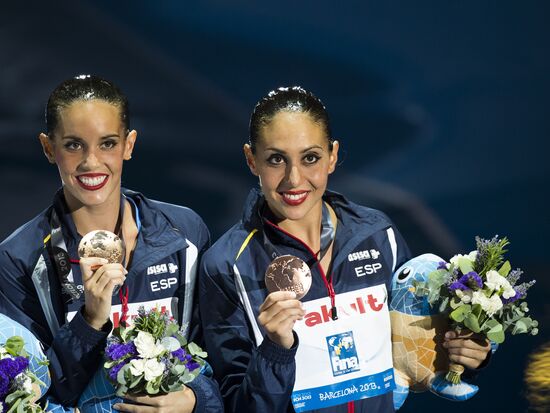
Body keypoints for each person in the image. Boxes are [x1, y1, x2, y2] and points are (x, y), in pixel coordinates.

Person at [198, 86, 491, 412]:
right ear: (252, 160)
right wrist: (276, 350)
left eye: (310, 158)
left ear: (332, 156)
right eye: (276, 159)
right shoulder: (226, 264)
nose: (294, 179)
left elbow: (416, 346)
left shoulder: (377, 234)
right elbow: (236, 405)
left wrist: (468, 352)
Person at [0, 75, 222, 413]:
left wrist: (195, 400)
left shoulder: (185, 232)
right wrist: (90, 321)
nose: (91, 162)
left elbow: (224, 363)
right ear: (48, 148)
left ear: (129, 145)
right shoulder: (19, 258)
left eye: (107, 143)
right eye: (73, 144)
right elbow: (30, 395)